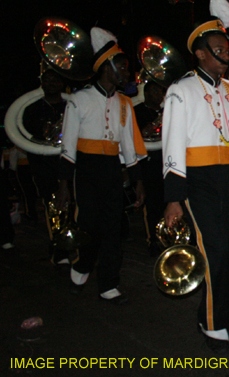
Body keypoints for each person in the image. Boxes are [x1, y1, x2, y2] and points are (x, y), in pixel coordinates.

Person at [162, 0, 229, 353]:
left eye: (227, 46)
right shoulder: (181, 90)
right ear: (201, 53)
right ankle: (211, 323)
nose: (227, 52)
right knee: (215, 250)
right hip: (196, 180)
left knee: (226, 252)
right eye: (218, 47)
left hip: (225, 179)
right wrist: (174, 198)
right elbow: (173, 145)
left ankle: (217, 316)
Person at [57, 26, 146, 304]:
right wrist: (63, 186)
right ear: (106, 68)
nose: (127, 71)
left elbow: (129, 146)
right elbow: (68, 148)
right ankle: (82, 265)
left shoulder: (125, 103)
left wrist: (137, 180)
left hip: (111, 170)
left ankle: (108, 283)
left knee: (112, 229)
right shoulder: (79, 100)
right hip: (86, 170)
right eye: (122, 66)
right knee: (89, 226)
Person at [23, 68, 69, 264]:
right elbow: (26, 135)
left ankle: (69, 242)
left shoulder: (70, 105)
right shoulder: (32, 108)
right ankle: (59, 247)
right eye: (47, 80)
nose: (51, 83)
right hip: (43, 164)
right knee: (52, 205)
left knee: (70, 203)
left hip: (67, 161)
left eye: (55, 80)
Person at [133, 80, 166, 256]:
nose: (158, 95)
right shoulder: (137, 111)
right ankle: (153, 240)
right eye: (154, 92)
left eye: (160, 92)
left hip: (165, 160)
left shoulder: (165, 110)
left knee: (167, 201)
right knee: (152, 204)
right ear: (146, 94)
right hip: (148, 162)